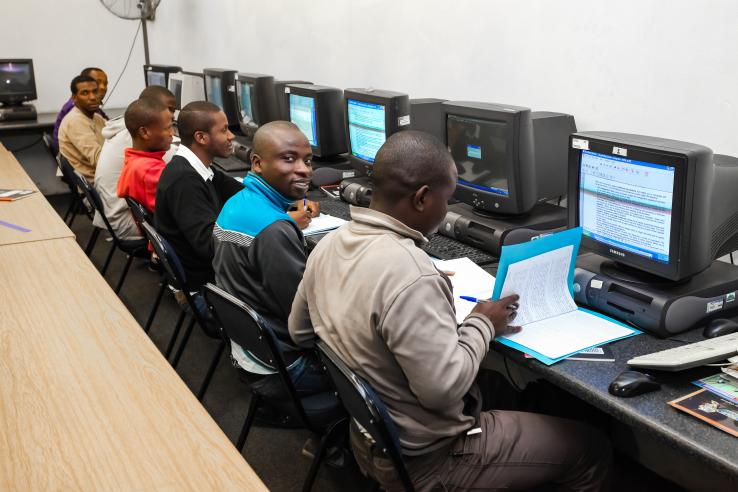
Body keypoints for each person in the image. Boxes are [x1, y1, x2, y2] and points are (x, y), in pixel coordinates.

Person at [289, 131, 612, 491]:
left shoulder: (329, 244)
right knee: (591, 449)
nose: (448, 210)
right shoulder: (410, 274)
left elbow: (299, 332)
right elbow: (443, 391)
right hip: (428, 460)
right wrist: (482, 322)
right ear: (423, 198)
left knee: (502, 387)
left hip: (370, 439)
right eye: (448, 199)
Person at [212, 121, 324, 409]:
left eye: (308, 160)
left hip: (252, 349)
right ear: (258, 163)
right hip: (282, 366)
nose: (304, 169)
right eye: (289, 158)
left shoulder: (238, 202)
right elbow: (308, 315)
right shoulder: (273, 230)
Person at [154, 101, 243, 293]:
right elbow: (210, 245)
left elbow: (241, 191)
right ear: (201, 137)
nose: (231, 136)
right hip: (203, 290)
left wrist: (288, 202)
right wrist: (269, 227)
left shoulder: (199, 167)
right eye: (224, 130)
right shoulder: (184, 179)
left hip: (206, 275)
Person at [94, 86, 179, 240]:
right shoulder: (137, 144)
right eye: (169, 110)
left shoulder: (131, 134)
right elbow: (178, 165)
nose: (172, 115)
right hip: (124, 221)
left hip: (118, 212)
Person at [117, 97, 174, 213]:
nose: (172, 133)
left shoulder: (132, 160)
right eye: (168, 128)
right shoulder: (152, 171)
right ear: (144, 132)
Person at [58, 74, 106, 182]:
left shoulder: (96, 117)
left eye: (95, 91)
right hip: (95, 186)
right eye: (85, 93)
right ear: (74, 98)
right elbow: (99, 159)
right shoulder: (76, 121)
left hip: (100, 178)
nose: (92, 97)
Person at [52, 67, 108, 154]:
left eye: (105, 83)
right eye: (98, 82)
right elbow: (96, 157)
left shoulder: (93, 113)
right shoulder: (75, 114)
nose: (103, 87)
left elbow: (108, 124)